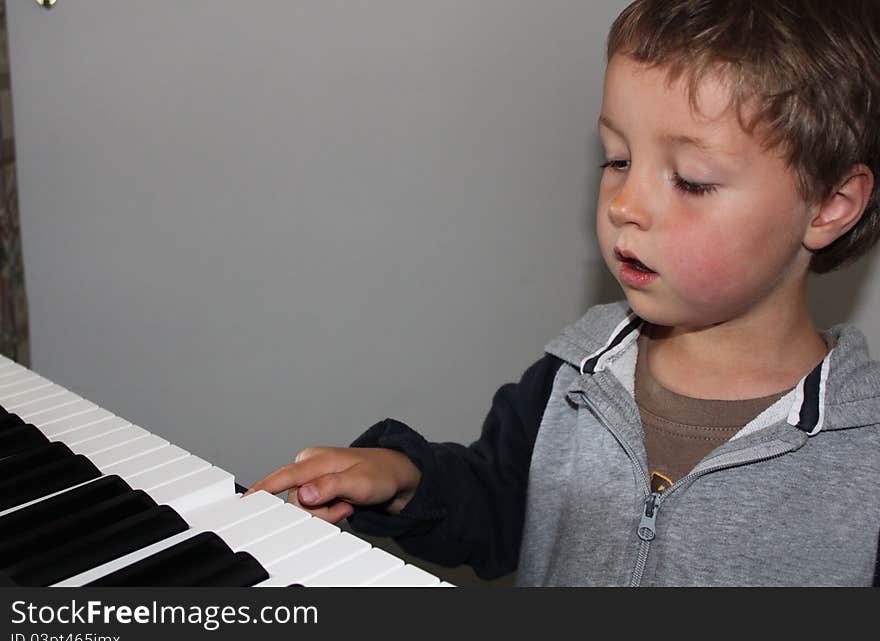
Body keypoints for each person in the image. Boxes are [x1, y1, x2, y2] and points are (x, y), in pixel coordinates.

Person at [247, 0, 880, 586]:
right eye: (617, 160)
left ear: (830, 205)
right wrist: (409, 481)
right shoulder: (574, 376)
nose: (626, 204)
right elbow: (502, 509)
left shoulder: (865, 453)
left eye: (689, 180)